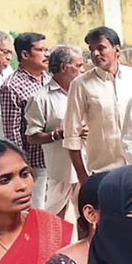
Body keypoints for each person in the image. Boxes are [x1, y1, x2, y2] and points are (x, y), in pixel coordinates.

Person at [63, 26, 132, 184]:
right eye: (91, 49)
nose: (95, 54)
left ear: (117, 50)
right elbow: (71, 135)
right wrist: (83, 177)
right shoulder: (80, 85)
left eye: (101, 48)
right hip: (103, 172)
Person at [25, 45, 86, 218]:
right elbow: (32, 136)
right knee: (55, 221)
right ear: (64, 67)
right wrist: (59, 134)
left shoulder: (83, 91)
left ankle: (86, 246)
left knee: (86, 218)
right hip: (60, 171)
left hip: (87, 166)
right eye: (78, 65)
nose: (82, 70)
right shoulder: (41, 98)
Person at [0, 32, 50, 209]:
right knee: (37, 210)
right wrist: (23, 166)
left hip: (57, 158)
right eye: (41, 50)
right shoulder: (11, 87)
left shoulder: (49, 78)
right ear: (25, 54)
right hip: (35, 162)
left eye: (47, 50)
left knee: (57, 208)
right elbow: (12, 132)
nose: (46, 54)